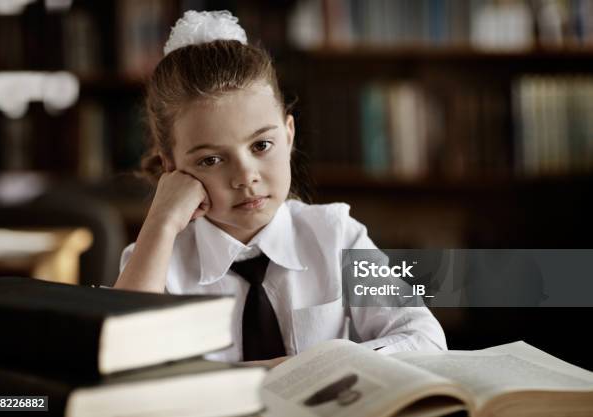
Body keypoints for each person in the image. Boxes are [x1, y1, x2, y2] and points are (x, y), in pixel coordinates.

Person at [115, 10, 446, 367]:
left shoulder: (337, 237)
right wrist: (162, 222)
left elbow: (423, 336)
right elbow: (119, 361)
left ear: (288, 135)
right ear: (172, 167)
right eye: (211, 160)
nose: (245, 176)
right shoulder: (156, 258)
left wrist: (319, 363)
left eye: (261, 146)